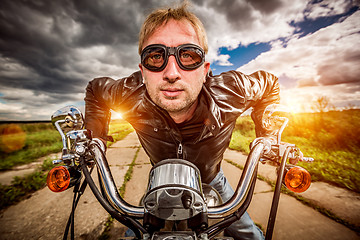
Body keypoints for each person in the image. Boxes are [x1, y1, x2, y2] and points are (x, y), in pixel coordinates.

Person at [85, 2, 279, 239]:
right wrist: (95, 141)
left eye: (188, 55)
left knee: (251, 235)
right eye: (155, 57)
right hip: (159, 181)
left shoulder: (233, 91)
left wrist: (268, 135)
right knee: (134, 235)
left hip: (212, 179)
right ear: (142, 71)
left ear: (205, 68)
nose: (171, 73)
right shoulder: (128, 94)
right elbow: (95, 90)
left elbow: (270, 84)